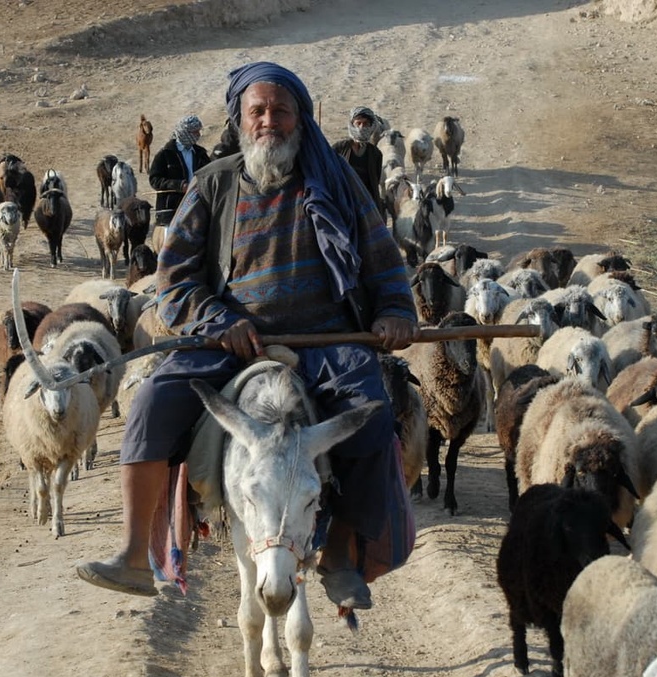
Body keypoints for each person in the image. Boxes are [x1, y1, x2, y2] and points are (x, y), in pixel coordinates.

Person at [76, 62, 419, 611]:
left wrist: (397, 311)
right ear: (239, 119)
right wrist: (218, 320)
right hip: (228, 341)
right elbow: (174, 277)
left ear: (300, 118)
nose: (268, 122)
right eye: (257, 111)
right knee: (148, 403)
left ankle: (338, 556)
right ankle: (134, 555)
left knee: (372, 412)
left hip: (327, 341)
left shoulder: (337, 180)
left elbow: (381, 258)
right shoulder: (215, 182)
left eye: (280, 111)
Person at [148, 114, 211, 231]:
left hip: (197, 205)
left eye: (198, 132)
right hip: (171, 210)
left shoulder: (200, 154)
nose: (198, 135)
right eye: (195, 132)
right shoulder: (165, 154)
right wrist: (179, 185)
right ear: (185, 132)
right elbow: (154, 179)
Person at [331, 107, 384, 211]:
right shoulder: (339, 148)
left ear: (371, 126)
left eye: (365, 124)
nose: (361, 127)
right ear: (352, 124)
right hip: (343, 202)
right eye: (358, 123)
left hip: (366, 203)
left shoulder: (375, 154)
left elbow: (375, 181)